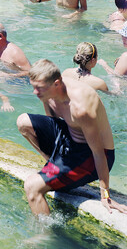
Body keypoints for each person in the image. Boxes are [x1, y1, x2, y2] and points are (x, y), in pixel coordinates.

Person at [16, 60, 125, 216]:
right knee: (23, 122)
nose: (35, 92)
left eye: (39, 88)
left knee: (32, 186)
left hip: (89, 156)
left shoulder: (81, 108)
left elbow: (98, 152)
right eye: (33, 86)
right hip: (68, 139)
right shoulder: (48, 92)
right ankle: (52, 166)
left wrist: (105, 194)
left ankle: (45, 237)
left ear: (56, 83)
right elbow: (52, 122)